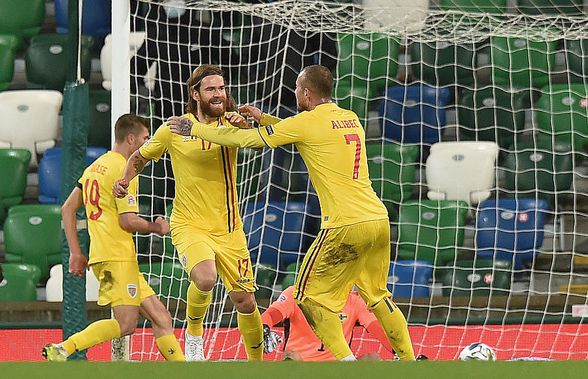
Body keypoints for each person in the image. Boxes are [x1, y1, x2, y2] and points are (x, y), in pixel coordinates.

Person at [167, 64, 416, 361]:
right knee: (378, 296)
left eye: (298, 89)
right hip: (378, 219)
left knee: (306, 298)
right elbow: (302, 132)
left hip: (344, 225)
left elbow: (248, 140)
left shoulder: (308, 123)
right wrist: (263, 119)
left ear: (307, 93)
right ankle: (409, 361)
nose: (295, 93)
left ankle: (348, 363)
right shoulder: (349, 118)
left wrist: (195, 128)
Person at [112, 65, 264, 361]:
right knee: (206, 278)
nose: (219, 94)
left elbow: (258, 144)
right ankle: (194, 336)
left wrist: (248, 123)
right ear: (195, 94)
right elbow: (140, 156)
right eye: (211, 89)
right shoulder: (174, 128)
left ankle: (258, 365)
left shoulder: (232, 124)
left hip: (230, 227)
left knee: (245, 301)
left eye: (221, 88)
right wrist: (125, 180)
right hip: (189, 223)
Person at [43, 114, 184, 362]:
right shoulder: (125, 168)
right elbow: (127, 221)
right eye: (144, 138)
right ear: (131, 138)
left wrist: (76, 252)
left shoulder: (94, 167)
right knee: (127, 324)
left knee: (161, 316)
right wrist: (157, 227)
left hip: (111, 256)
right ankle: (65, 348)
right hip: (116, 256)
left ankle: (184, 370)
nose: (148, 143)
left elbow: (67, 209)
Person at [262, 286, 395, 361]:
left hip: (339, 366)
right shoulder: (295, 294)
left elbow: (378, 330)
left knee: (373, 360)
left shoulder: (355, 300)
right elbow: (271, 314)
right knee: (291, 356)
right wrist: (264, 328)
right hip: (301, 364)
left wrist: (399, 351)